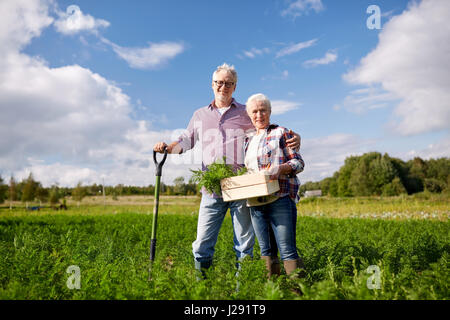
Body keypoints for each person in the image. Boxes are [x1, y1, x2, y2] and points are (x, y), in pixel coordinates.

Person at [153, 63, 300, 279]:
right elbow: (186, 141)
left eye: (229, 83)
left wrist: (294, 138)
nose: (224, 87)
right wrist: (168, 148)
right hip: (211, 188)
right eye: (220, 83)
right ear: (212, 85)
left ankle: (243, 288)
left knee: (244, 245)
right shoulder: (200, 115)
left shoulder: (244, 112)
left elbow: (265, 127)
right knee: (202, 243)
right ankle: (202, 288)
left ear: (235, 86)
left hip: (241, 187)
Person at [244, 93, 306, 278]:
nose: (259, 115)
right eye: (254, 111)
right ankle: (273, 292)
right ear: (249, 115)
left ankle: (298, 293)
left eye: (263, 110)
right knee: (266, 251)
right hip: (255, 201)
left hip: (280, 198)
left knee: (287, 249)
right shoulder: (247, 141)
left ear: (269, 112)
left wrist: (280, 169)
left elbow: (299, 163)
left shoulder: (281, 132)